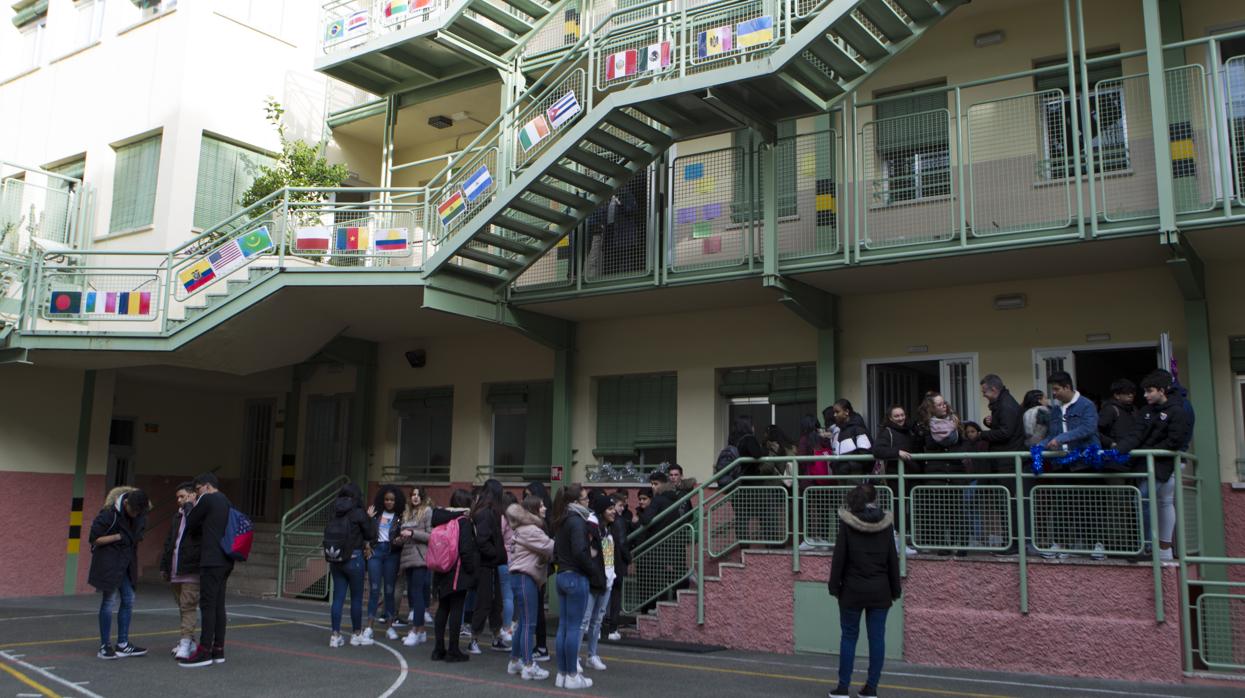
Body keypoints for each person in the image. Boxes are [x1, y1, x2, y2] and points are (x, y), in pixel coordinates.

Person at [828, 483, 902, 698]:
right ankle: (871, 688)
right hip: (880, 590)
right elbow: (891, 559)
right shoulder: (886, 523)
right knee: (877, 639)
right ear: (876, 499)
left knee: (849, 637)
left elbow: (839, 558)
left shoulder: (847, 523)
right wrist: (895, 589)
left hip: (852, 589)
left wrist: (834, 586)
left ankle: (842, 687)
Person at [1115, 369, 1192, 562]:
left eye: (1149, 391)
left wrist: (1149, 450)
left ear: (1162, 390)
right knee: (1153, 501)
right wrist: (1117, 451)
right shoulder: (1147, 411)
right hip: (1149, 463)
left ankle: (1152, 546)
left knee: (1147, 498)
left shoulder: (1179, 410)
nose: (1145, 395)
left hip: (1164, 464)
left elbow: (1175, 440)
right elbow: (1136, 434)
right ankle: (1156, 548)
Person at [89, 486, 150, 660]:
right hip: (109, 563)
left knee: (129, 598)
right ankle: (105, 645)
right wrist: (117, 537)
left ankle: (123, 643)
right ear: (125, 503)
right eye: (133, 511)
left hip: (126, 563)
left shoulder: (140, 515)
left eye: (139, 512)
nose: (135, 514)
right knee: (109, 600)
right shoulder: (108, 514)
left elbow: (138, 534)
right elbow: (94, 538)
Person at [180, 473, 233, 667]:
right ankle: (218, 649)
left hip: (211, 559)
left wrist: (188, 505)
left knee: (208, 605)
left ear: (207, 486)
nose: (196, 493)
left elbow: (191, 521)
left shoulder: (208, 499)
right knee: (219, 605)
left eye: (198, 489)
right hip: (226, 559)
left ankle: (204, 651)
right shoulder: (226, 501)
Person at [504, 494, 554, 681]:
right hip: (526, 578)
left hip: (519, 578)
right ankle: (528, 665)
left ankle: (515, 660)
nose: (544, 509)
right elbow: (550, 547)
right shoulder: (531, 529)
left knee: (523, 622)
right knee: (529, 623)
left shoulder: (521, 528)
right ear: (533, 509)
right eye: (541, 506)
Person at [552, 485, 596, 690]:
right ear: (576, 502)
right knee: (573, 628)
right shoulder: (578, 522)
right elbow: (580, 551)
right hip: (576, 577)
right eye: (585, 499)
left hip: (562, 575)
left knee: (564, 627)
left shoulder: (562, 519)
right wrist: (592, 568)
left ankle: (562, 673)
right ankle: (571, 675)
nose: (588, 502)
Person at [978, 375, 1027, 556]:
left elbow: (1005, 433)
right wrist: (990, 423)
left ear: (993, 390)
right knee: (1006, 503)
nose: (983, 395)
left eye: (984, 392)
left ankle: (1013, 543)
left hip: (1007, 462)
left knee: (1008, 504)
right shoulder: (1005, 403)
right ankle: (1011, 542)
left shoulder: (1005, 406)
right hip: (1006, 461)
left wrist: (982, 435)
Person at [913, 393, 966, 556]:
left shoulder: (955, 422)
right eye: (939, 404)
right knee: (940, 510)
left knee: (959, 510)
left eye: (944, 403)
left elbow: (965, 444)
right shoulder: (924, 427)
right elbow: (920, 447)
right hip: (936, 471)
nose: (943, 406)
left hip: (955, 470)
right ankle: (943, 544)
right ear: (931, 408)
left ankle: (962, 545)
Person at [325, 483, 376, 649]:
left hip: (336, 558)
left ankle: (335, 635)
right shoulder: (358, 513)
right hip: (354, 558)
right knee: (356, 598)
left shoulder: (335, 511)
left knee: (338, 597)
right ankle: (356, 634)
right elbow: (370, 534)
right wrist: (369, 518)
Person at [431, 489, 478, 662]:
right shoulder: (463, 521)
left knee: (443, 607)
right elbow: (465, 549)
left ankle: (438, 649)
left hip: (441, 568)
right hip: (458, 570)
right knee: (457, 608)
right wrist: (471, 570)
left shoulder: (440, 517)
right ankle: (453, 650)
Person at [468, 479, 509, 654]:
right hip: (486, 565)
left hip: (490, 564)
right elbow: (482, 541)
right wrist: (497, 554)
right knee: (485, 602)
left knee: (495, 603)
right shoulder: (487, 513)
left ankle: (495, 637)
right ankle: (473, 639)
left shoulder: (486, 511)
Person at [160, 482, 200, 660]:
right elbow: (170, 541)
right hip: (176, 567)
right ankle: (188, 639)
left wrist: (191, 507)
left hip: (191, 568)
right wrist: (164, 565)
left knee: (188, 605)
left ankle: (185, 643)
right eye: (177, 497)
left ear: (193, 495)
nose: (179, 500)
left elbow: (196, 530)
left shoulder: (198, 514)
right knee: (182, 607)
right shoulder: (177, 516)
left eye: (183, 496)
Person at [581, 492, 617, 672]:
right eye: (610, 509)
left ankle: (591, 655)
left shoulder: (608, 530)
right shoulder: (592, 529)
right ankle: (574, 657)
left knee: (597, 621)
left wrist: (611, 577)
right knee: (584, 621)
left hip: (607, 582)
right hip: (593, 582)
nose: (614, 512)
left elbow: (609, 558)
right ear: (602, 511)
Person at [366, 484, 406, 642]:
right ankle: (369, 626)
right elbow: (366, 532)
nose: (389, 502)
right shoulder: (375, 514)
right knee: (374, 589)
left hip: (392, 554)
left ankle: (390, 627)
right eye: (387, 499)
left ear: (397, 501)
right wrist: (368, 521)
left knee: (389, 590)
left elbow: (403, 538)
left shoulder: (400, 517)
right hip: (376, 552)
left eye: (392, 500)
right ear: (382, 500)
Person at [395, 486, 432, 647]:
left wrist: (412, 533)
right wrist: (400, 539)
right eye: (413, 495)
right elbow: (405, 534)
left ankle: (416, 630)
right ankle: (421, 631)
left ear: (422, 497)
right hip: (407, 557)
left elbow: (431, 536)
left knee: (417, 594)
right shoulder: (406, 513)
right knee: (413, 593)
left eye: (418, 495)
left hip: (420, 557)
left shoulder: (427, 511)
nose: (415, 497)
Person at [522, 481, 554, 663]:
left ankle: (531, 653)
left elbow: (549, 548)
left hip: (533, 571)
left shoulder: (537, 525)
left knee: (530, 613)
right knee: (531, 611)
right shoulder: (532, 524)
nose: (526, 500)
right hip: (535, 570)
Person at [827, 400, 872, 476]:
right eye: (834, 412)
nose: (834, 415)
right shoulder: (839, 431)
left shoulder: (858, 429)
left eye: (837, 412)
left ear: (846, 412)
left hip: (855, 476)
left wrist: (847, 466)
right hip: (840, 475)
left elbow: (865, 453)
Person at [872, 405, 920, 475]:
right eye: (896, 416)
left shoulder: (910, 430)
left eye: (902, 415)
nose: (900, 418)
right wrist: (897, 452)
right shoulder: (886, 432)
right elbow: (877, 450)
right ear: (890, 418)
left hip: (911, 475)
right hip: (895, 476)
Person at [497, 491, 517, 646]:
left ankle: (506, 627)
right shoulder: (517, 519)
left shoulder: (503, 519)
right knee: (511, 596)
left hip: (504, 559)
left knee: (506, 597)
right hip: (516, 560)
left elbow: (498, 537)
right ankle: (509, 627)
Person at [1098, 378, 1137, 449]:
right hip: (1115, 453)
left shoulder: (1134, 410)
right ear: (1116, 395)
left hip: (1132, 450)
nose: (1131, 395)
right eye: (1127, 393)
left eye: (1132, 393)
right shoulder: (1110, 410)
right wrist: (1111, 443)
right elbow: (1096, 431)